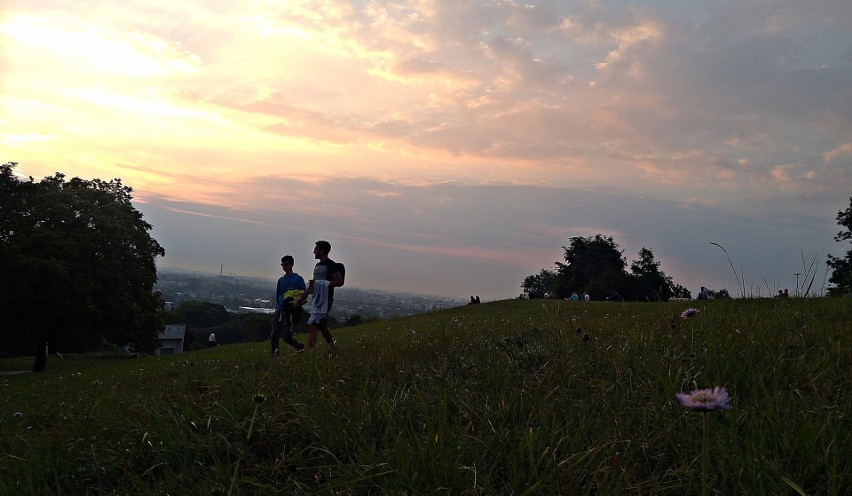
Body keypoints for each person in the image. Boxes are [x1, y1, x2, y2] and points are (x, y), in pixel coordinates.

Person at [294, 241, 343, 349]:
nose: (313, 251)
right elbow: (313, 285)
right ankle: (333, 347)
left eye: (316, 249)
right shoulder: (318, 265)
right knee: (322, 326)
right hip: (317, 299)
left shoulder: (331, 265)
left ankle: (310, 352)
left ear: (321, 251)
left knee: (312, 324)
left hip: (325, 300)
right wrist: (302, 297)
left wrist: (322, 283)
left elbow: (339, 282)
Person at [271, 255, 307, 356]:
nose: (284, 267)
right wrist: (278, 306)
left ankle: (299, 346)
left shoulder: (298, 279)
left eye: (286, 264)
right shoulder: (281, 280)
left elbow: (303, 293)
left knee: (286, 337)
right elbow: (278, 294)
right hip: (280, 309)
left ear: (291, 265)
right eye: (282, 264)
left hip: (290, 310)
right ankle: (275, 355)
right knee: (274, 334)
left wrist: (297, 304)